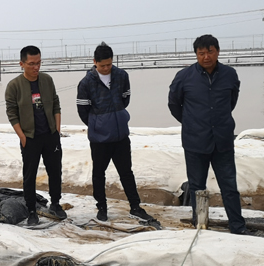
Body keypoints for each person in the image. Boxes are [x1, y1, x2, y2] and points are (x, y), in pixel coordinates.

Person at [167, 34, 247, 234]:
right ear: (196, 54)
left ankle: (237, 227)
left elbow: (231, 102)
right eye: (201, 53)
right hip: (195, 142)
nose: (206, 57)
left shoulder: (229, 74)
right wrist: (191, 122)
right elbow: (174, 104)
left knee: (229, 186)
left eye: (210, 52)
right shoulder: (184, 77)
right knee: (197, 187)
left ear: (217, 52)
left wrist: (218, 120)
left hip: (223, 140)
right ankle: (200, 225)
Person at [76, 42, 156, 223]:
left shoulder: (122, 76)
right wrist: (97, 124)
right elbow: (82, 110)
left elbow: (125, 98)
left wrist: (116, 116)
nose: (106, 68)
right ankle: (101, 207)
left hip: (120, 135)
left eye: (109, 64)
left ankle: (135, 206)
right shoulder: (86, 83)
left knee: (126, 172)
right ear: (95, 62)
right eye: (102, 65)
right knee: (99, 173)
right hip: (99, 138)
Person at [5, 45, 66, 226]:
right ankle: (31, 210)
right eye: (31, 64)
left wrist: (57, 130)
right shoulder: (14, 86)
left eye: (38, 63)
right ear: (22, 64)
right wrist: (22, 137)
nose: (36, 67)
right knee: (30, 174)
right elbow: (12, 113)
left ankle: (55, 203)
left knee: (55, 171)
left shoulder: (47, 80)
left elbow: (56, 104)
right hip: (30, 138)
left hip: (50, 135)